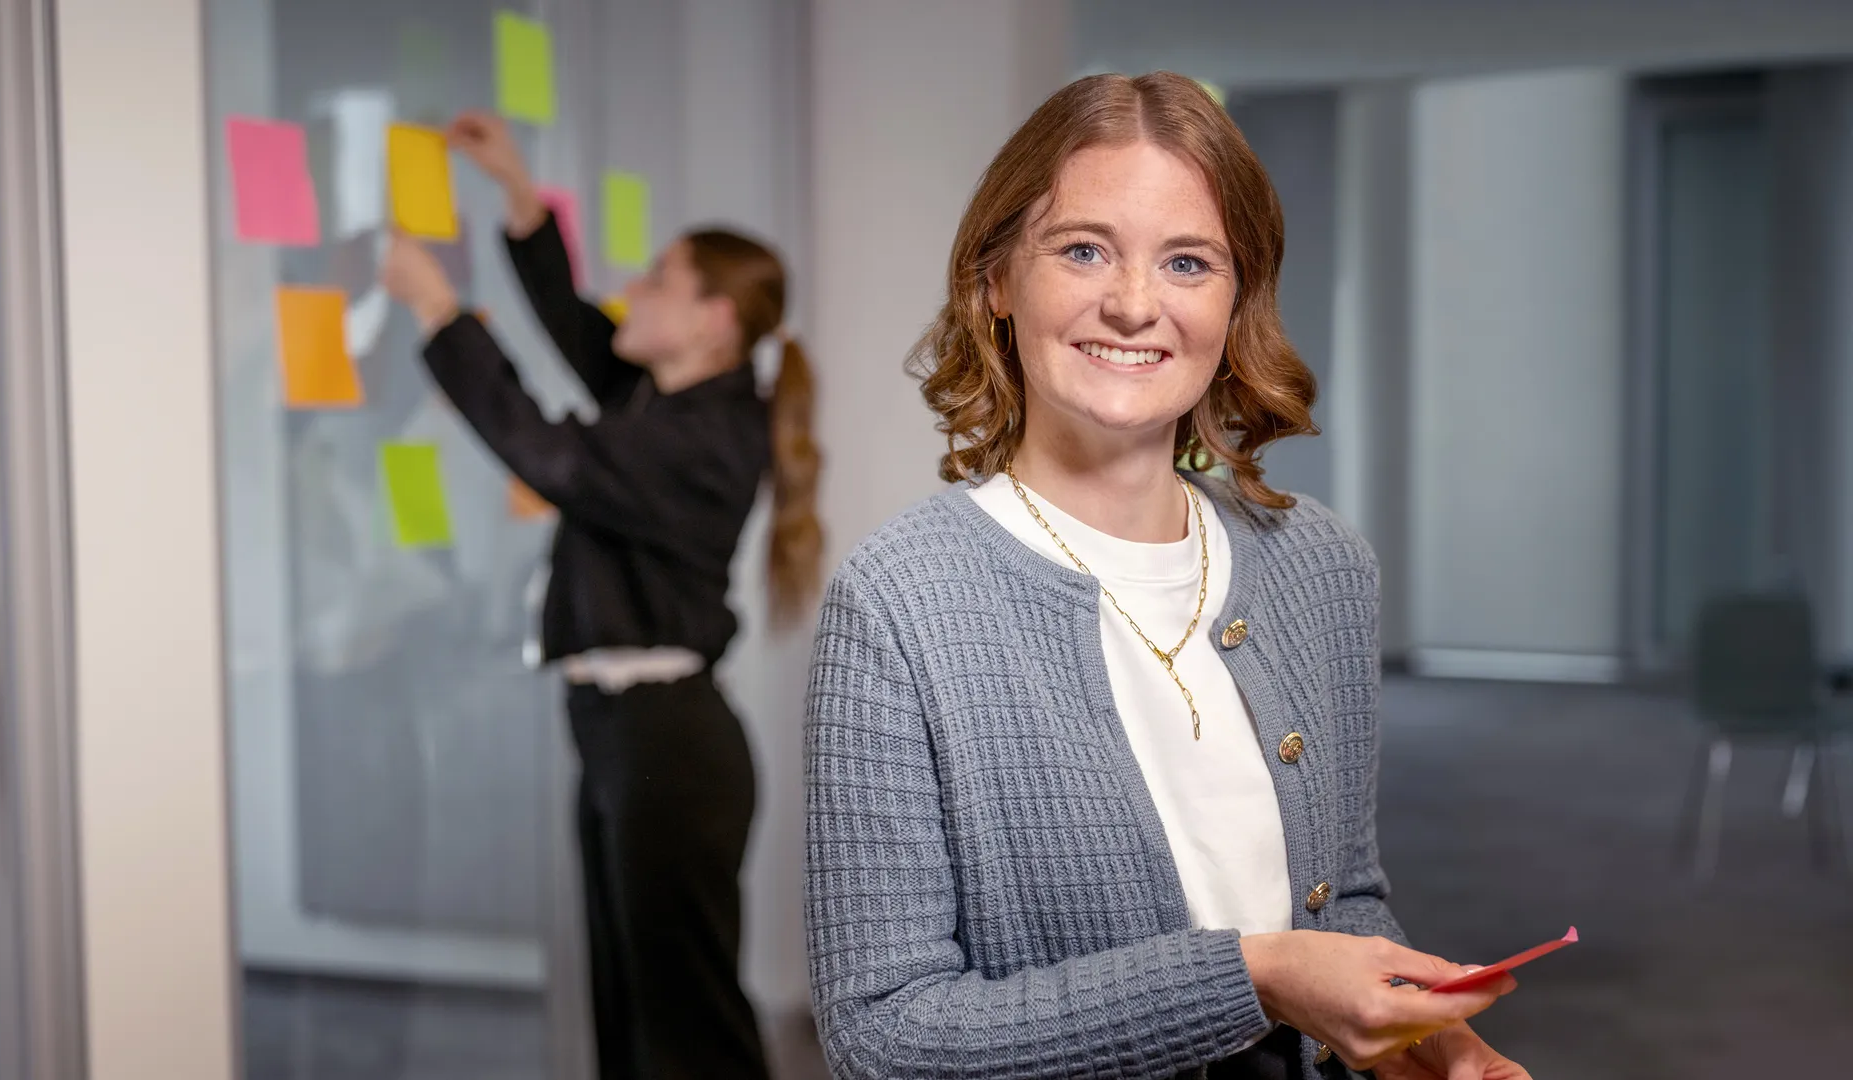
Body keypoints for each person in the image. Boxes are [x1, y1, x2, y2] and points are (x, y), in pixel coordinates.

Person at [802, 72, 1534, 1080]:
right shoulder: (898, 603)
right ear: (995, 280)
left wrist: (1435, 1042)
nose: (1135, 304)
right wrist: (1256, 977)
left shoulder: (1320, 566)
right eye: (1084, 249)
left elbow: (1344, 902)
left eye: (1188, 262)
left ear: (1237, 305)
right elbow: (883, 1040)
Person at [381, 110, 822, 1080]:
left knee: (688, 1030)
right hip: (625, 733)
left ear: (713, 320)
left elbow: (547, 451)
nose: (632, 293)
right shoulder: (667, 402)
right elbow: (582, 331)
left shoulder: (703, 438)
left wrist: (435, 313)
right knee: (631, 1014)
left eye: (657, 280)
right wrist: (518, 195)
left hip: (670, 747)